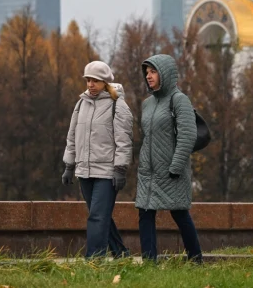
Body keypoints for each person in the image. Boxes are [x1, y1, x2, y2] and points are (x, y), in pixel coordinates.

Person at [135, 53, 202, 263]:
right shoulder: (147, 104)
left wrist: (176, 166)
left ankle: (195, 259)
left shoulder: (179, 100)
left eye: (153, 71)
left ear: (165, 73)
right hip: (149, 171)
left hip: (172, 171)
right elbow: (147, 136)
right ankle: (149, 262)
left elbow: (188, 135)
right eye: (147, 72)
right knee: (145, 214)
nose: (149, 76)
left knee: (180, 214)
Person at [62, 60, 133, 258]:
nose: (91, 84)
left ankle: (94, 259)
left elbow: (124, 141)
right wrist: (69, 165)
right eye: (88, 80)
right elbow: (72, 136)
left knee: (97, 217)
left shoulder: (117, 105)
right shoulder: (81, 104)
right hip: (84, 171)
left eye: (95, 80)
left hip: (107, 173)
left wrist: (120, 169)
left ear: (105, 82)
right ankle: (122, 254)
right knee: (101, 217)